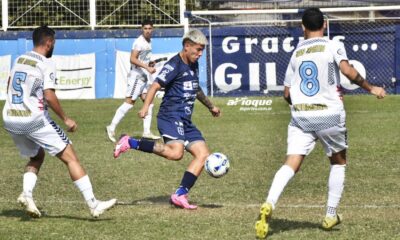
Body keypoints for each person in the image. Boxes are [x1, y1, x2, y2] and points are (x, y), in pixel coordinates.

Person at [255, 8, 386, 239]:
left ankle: (269, 203)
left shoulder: (296, 53)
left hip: (301, 117)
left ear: (302, 27)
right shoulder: (333, 45)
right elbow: (348, 70)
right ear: (324, 24)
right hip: (329, 115)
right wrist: (371, 88)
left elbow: (286, 93)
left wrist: (301, 105)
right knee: (338, 161)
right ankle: (330, 214)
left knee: (291, 163)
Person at [2, 26, 117, 218]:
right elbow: (49, 95)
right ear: (48, 42)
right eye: (54, 42)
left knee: (37, 156)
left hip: (10, 118)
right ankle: (93, 204)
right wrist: (66, 119)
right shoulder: (46, 63)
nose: (54, 46)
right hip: (33, 119)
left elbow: (8, 85)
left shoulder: (20, 59)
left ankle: (26, 194)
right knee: (71, 157)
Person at [113, 29, 221, 210]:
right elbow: (155, 86)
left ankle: (180, 195)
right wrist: (146, 106)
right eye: (198, 49)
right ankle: (130, 142)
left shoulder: (193, 64)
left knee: (203, 155)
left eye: (202, 50)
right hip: (170, 115)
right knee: (176, 153)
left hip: (185, 119)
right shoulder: (174, 65)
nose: (200, 54)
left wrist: (211, 106)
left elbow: (195, 89)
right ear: (187, 46)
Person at [106, 19, 160, 142]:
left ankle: (146, 132)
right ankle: (111, 127)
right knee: (129, 103)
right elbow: (132, 59)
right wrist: (147, 67)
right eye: (145, 28)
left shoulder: (149, 41)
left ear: (153, 29)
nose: (147, 31)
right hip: (137, 76)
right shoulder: (139, 42)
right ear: (142, 29)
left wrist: (149, 63)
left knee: (149, 102)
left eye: (149, 28)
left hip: (143, 76)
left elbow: (142, 58)